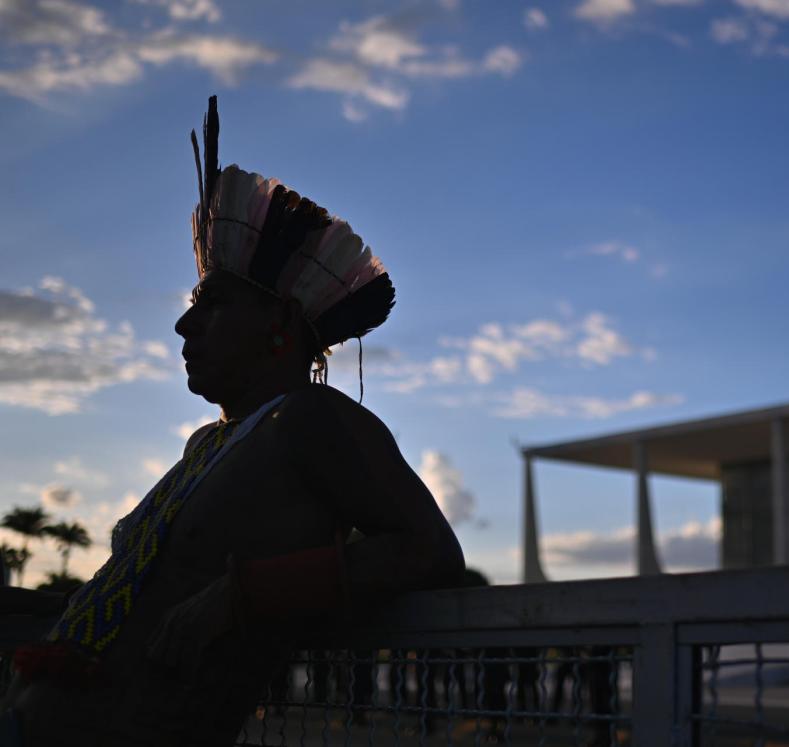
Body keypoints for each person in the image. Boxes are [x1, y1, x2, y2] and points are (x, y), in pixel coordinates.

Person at [0, 96, 464, 746]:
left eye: (210, 302)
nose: (184, 324)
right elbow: (145, 604)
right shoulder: (204, 447)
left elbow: (430, 550)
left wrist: (242, 595)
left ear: (278, 322)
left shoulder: (312, 419)